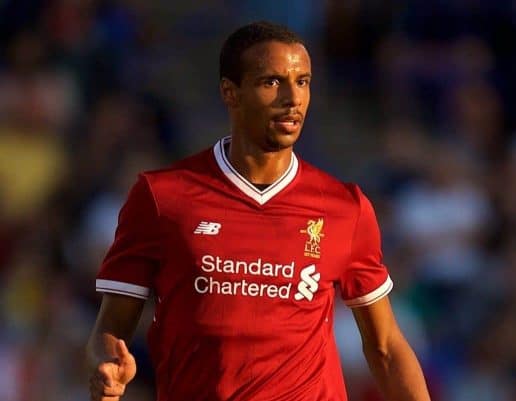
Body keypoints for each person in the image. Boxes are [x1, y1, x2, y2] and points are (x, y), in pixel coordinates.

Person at [86, 21, 431, 401]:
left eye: (303, 81)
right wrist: (107, 365)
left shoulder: (344, 207)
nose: (293, 98)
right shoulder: (161, 196)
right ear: (230, 93)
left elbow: (385, 347)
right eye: (272, 82)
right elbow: (110, 329)